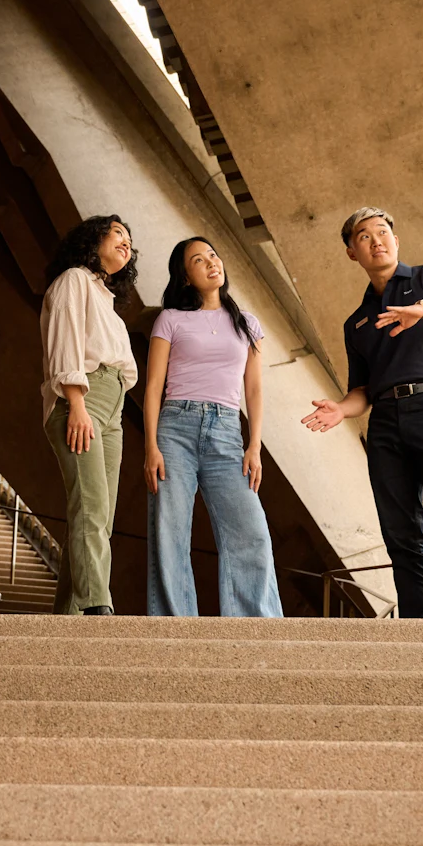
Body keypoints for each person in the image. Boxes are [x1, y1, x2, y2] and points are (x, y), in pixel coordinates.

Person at [302, 207, 423, 618]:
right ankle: (417, 627)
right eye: (364, 236)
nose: (376, 240)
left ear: (396, 240)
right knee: (399, 532)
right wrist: (341, 409)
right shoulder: (357, 322)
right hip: (385, 422)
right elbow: (363, 390)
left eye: (382, 232)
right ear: (352, 252)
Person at [142, 236, 282, 616]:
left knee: (251, 532)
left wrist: (254, 446)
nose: (211, 263)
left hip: (226, 432)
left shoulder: (246, 323)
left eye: (213, 255)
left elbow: (254, 389)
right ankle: (175, 628)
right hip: (175, 430)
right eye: (198, 260)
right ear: (186, 277)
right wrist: (151, 447)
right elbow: (153, 387)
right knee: (170, 532)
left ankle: (256, 627)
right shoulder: (170, 319)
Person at [40, 215, 138, 615]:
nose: (126, 242)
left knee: (98, 516)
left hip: (112, 409)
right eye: (117, 233)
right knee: (92, 509)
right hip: (83, 400)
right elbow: (64, 342)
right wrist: (76, 404)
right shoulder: (74, 280)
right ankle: (98, 607)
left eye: (129, 239)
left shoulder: (107, 302)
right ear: (92, 240)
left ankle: (69, 615)